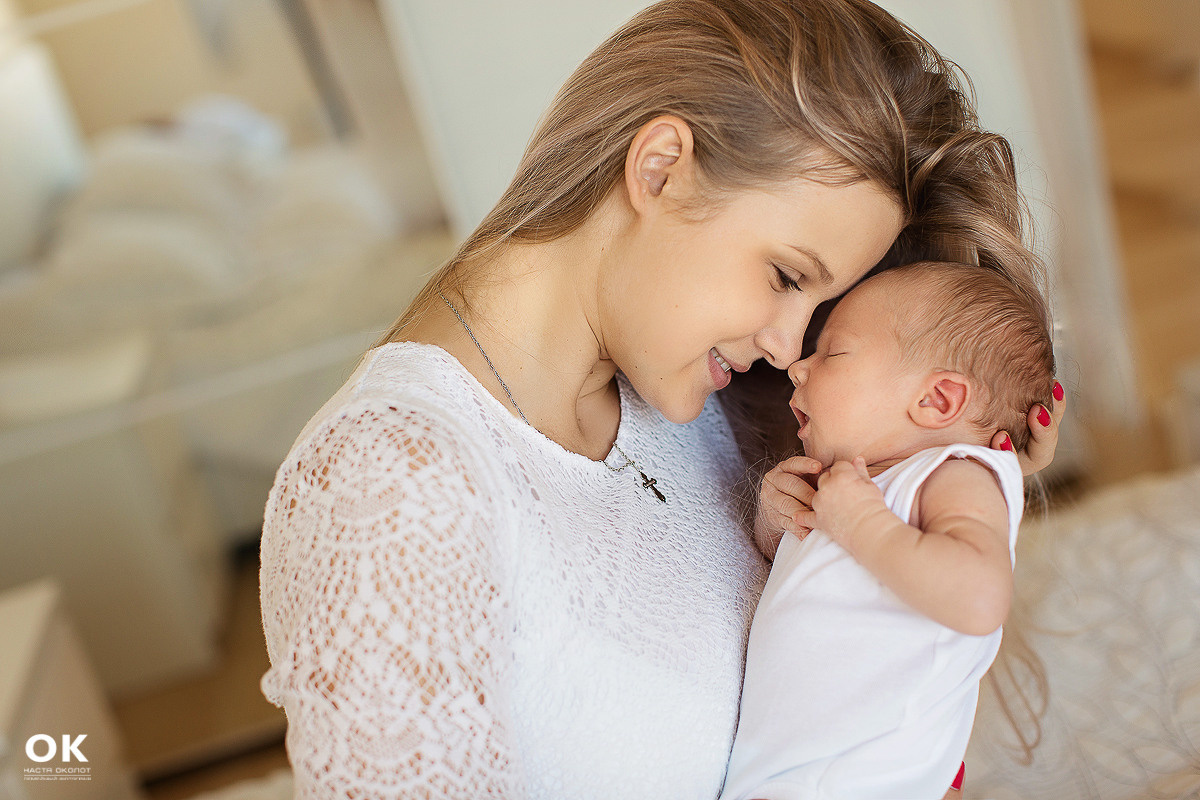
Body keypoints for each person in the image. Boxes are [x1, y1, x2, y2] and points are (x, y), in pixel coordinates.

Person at [257, 1, 1066, 797]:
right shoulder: (388, 489)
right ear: (660, 168)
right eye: (785, 276)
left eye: (816, 313)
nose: (789, 352)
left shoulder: (692, 391)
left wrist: (951, 460)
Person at [719, 261, 1054, 800]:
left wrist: (860, 521)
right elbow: (801, 582)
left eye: (832, 353)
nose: (799, 368)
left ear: (937, 401)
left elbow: (978, 598)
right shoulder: (850, 487)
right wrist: (774, 522)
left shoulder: (955, 473)